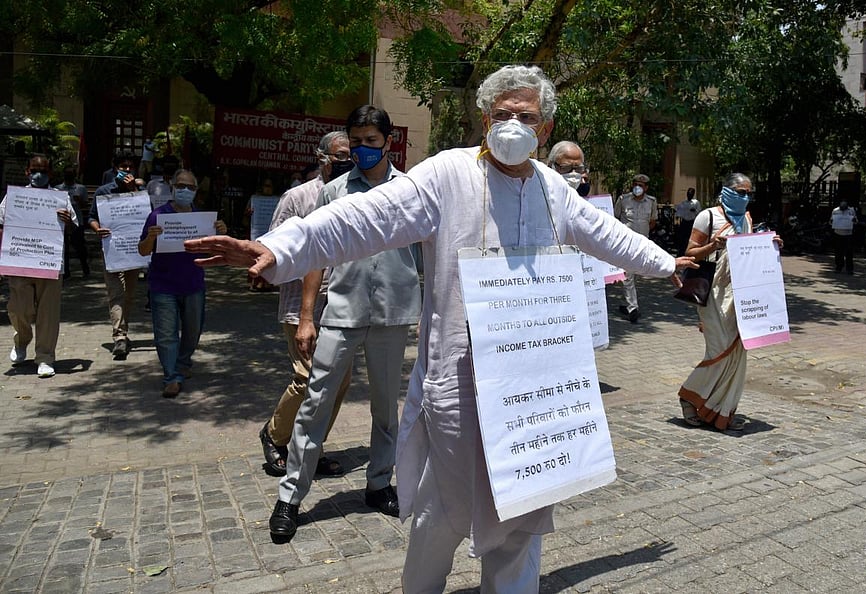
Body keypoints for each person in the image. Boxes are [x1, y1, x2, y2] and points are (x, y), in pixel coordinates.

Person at [185, 65, 695, 593]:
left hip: (533, 387)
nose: (514, 125)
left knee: (525, 509)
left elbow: (606, 234)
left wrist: (668, 263)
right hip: (460, 383)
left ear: (543, 131)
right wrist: (279, 249)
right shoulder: (449, 173)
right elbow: (364, 218)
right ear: (484, 119)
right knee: (443, 512)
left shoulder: (552, 190)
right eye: (504, 115)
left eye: (527, 117)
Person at [282, 105, 421, 519]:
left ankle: (379, 484)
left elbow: (427, 253)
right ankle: (290, 497)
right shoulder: (333, 191)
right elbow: (314, 255)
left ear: (388, 142)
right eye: (355, 142)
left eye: (370, 142)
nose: (362, 149)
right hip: (341, 312)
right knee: (315, 403)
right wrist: (307, 317)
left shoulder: (411, 190)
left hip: (393, 315)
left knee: (385, 408)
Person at [258, 130, 356, 477]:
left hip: (344, 303)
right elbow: (274, 247)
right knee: (308, 377)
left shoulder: (356, 196)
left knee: (339, 380)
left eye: (351, 153)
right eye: (341, 154)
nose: (348, 160)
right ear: (322, 157)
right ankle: (274, 435)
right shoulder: (297, 197)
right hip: (301, 306)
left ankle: (310, 448)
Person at [677, 173, 781, 431]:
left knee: (737, 351)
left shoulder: (746, 218)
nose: (745, 197)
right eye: (740, 191)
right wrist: (713, 245)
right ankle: (689, 395)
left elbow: (749, 251)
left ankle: (722, 411)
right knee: (719, 351)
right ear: (726, 190)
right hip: (713, 292)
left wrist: (771, 245)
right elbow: (690, 253)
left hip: (740, 294)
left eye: (748, 193)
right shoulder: (708, 216)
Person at [137, 169, 227, 397]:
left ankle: (183, 363)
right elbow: (142, 250)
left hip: (193, 283)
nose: (185, 190)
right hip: (163, 285)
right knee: (166, 333)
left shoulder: (202, 220)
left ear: (196, 191)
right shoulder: (158, 216)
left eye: (190, 187)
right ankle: (171, 377)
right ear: (172, 187)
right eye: (181, 186)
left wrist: (222, 233)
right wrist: (151, 237)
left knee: (192, 331)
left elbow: (215, 250)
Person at [1, 156, 78, 378]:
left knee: (48, 313)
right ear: (27, 171)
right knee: (18, 308)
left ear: (51, 174)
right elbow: (1, 223)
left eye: (43, 171)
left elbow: (74, 228)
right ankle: (22, 340)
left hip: (50, 263)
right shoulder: (15, 197)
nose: (38, 174)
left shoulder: (60, 199)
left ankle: (45, 358)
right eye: (34, 170)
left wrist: (67, 221)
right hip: (19, 261)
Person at [90, 152, 145, 360]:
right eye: (123, 166)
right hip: (111, 249)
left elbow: (146, 215)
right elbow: (92, 218)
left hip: (132, 250)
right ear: (115, 168)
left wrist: (133, 190)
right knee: (116, 293)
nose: (127, 170)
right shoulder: (104, 191)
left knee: (129, 294)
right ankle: (119, 337)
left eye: (131, 167)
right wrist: (97, 229)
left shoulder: (139, 191)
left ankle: (123, 329)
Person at [614, 173, 658, 323]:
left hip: (643, 245)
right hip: (626, 244)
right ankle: (633, 308)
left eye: (641, 185)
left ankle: (626, 303)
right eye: (635, 184)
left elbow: (652, 221)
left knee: (634, 275)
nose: (637, 187)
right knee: (628, 275)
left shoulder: (651, 202)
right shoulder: (623, 200)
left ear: (646, 188)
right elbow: (615, 218)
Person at [55, 166, 91, 279]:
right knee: (63, 248)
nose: (69, 177)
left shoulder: (81, 188)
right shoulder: (57, 189)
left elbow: (86, 205)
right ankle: (65, 272)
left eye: (71, 175)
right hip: (61, 223)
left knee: (80, 247)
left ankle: (85, 268)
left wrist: (79, 201)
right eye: (67, 175)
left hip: (77, 222)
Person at [830, 200, 857, 275]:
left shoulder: (851, 211)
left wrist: (854, 220)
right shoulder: (835, 210)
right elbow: (830, 221)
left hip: (848, 234)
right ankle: (839, 267)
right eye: (842, 205)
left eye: (844, 205)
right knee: (838, 252)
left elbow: (855, 221)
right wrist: (832, 221)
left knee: (849, 252)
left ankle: (849, 269)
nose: (843, 207)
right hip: (838, 233)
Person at [674, 187, 700, 257]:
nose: (689, 195)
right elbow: (679, 212)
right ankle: (681, 252)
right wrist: (677, 218)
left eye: (691, 194)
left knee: (690, 238)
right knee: (682, 238)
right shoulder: (683, 203)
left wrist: (694, 210)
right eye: (688, 193)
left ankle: (689, 252)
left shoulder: (696, 202)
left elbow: (699, 212)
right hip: (684, 222)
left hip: (692, 222)